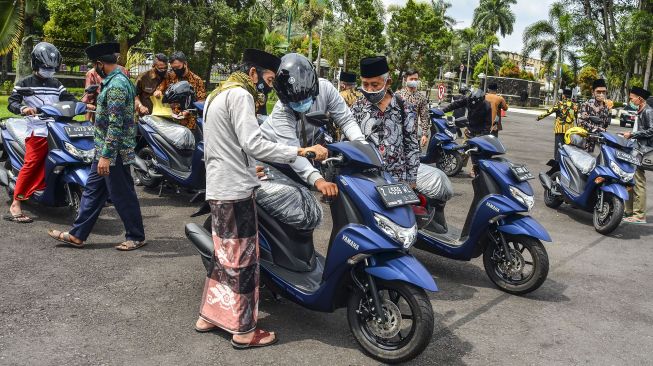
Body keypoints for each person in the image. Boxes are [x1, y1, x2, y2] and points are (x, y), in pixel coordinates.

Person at [194, 48, 327, 348]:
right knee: (243, 262)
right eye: (267, 79)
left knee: (223, 257)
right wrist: (301, 151)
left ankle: (208, 316)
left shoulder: (216, 94)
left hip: (217, 186)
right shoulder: (241, 95)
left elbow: (222, 143)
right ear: (253, 73)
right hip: (236, 191)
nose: (268, 87)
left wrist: (245, 165)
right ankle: (243, 332)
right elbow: (255, 143)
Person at [47, 42, 146, 251]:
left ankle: (136, 236)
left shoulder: (117, 85)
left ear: (100, 64)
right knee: (92, 192)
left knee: (122, 194)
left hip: (113, 152)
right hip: (103, 150)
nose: (93, 69)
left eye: (94, 65)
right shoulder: (111, 81)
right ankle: (77, 235)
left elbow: (116, 124)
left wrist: (106, 156)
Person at [261, 53, 365, 198]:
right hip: (274, 160)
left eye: (305, 98)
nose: (301, 104)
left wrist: (361, 146)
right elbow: (292, 151)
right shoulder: (281, 111)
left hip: (301, 154)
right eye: (295, 102)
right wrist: (319, 181)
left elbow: (346, 120)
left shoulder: (326, 89)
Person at [3, 42, 78, 223]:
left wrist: (85, 104)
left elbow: (69, 99)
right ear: (36, 65)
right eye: (45, 67)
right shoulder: (24, 83)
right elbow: (12, 103)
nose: (49, 71)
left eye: (52, 68)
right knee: (32, 164)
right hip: (36, 131)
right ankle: (16, 204)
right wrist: (23, 109)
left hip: (56, 129)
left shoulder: (56, 84)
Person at [350, 55, 419, 187]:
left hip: (397, 180)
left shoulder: (404, 107)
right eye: (365, 84)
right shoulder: (357, 108)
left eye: (375, 85)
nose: (369, 90)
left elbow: (412, 145)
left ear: (388, 82)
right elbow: (348, 144)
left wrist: (412, 179)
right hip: (366, 180)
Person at [442, 89, 492, 177]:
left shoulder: (487, 106)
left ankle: (476, 170)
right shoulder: (468, 99)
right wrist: (443, 111)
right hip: (470, 128)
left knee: (477, 152)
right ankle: (459, 166)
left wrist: (483, 135)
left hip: (481, 131)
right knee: (464, 149)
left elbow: (488, 123)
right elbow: (455, 104)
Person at [154, 51, 206, 130]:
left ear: (185, 64)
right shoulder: (170, 76)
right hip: (170, 122)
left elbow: (201, 103)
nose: (175, 70)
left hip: (189, 123)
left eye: (178, 67)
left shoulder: (197, 80)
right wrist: (158, 91)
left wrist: (187, 112)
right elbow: (161, 88)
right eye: (173, 68)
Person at [623, 86, 652, 224]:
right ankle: (628, 211)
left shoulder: (648, 111)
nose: (631, 100)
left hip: (643, 151)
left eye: (632, 98)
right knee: (629, 179)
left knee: (638, 181)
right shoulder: (640, 111)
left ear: (639, 99)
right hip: (635, 149)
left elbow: (652, 131)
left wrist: (633, 134)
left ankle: (639, 215)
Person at [536, 88, 578, 161]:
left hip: (559, 129)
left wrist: (539, 117)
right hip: (569, 131)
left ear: (564, 96)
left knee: (558, 147)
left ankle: (557, 163)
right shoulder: (575, 106)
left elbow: (549, 111)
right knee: (567, 148)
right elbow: (577, 118)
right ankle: (565, 163)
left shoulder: (560, 104)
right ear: (571, 96)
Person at [397, 69, 431, 147]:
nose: (413, 81)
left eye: (415, 79)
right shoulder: (398, 96)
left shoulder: (421, 97)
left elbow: (424, 117)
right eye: (411, 79)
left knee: (415, 157)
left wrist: (424, 134)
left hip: (413, 136)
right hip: (398, 135)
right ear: (406, 80)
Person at [578, 78, 610, 152]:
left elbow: (605, 125)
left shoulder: (606, 108)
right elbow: (581, 122)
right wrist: (597, 129)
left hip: (599, 145)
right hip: (585, 143)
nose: (601, 94)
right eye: (598, 92)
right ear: (593, 92)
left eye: (604, 92)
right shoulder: (586, 105)